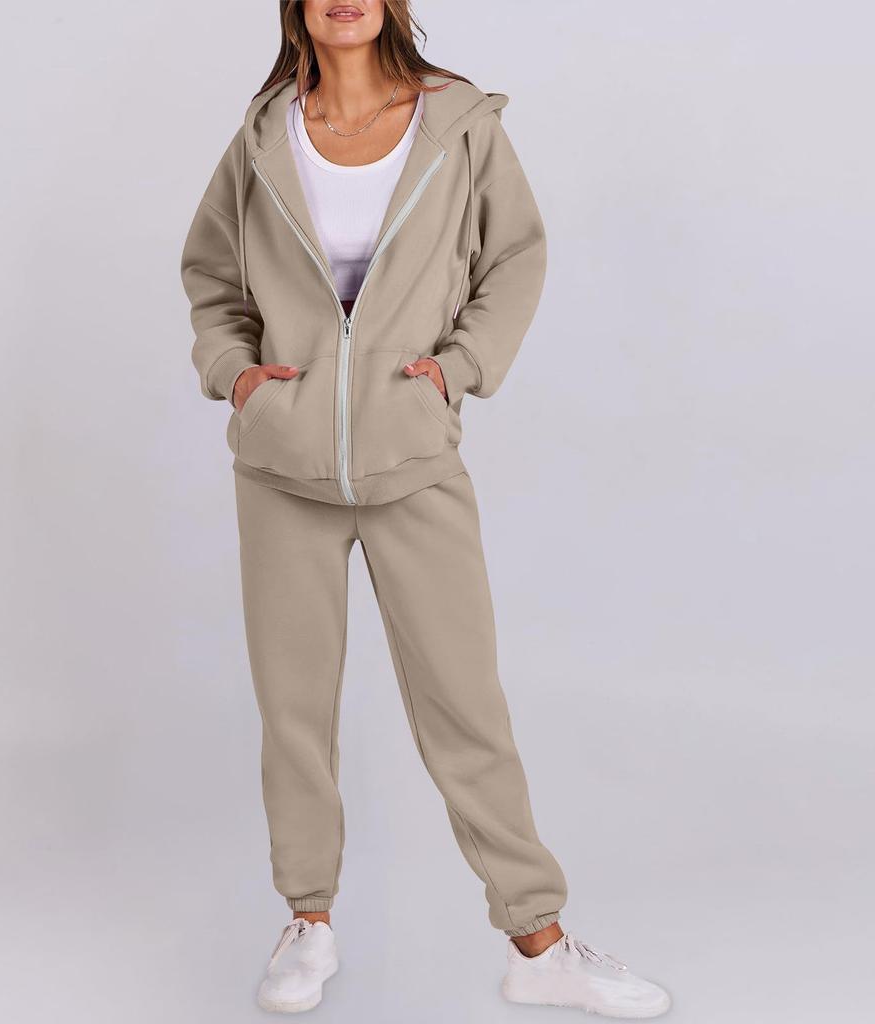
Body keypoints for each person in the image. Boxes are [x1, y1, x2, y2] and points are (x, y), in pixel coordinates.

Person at [180, 1, 670, 1017]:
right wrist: (236, 375)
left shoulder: (457, 123)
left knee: (465, 706)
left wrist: (458, 369)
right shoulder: (264, 133)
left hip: (413, 460)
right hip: (281, 470)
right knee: (294, 712)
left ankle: (537, 942)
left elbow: (515, 258)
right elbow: (211, 275)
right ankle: (308, 923)